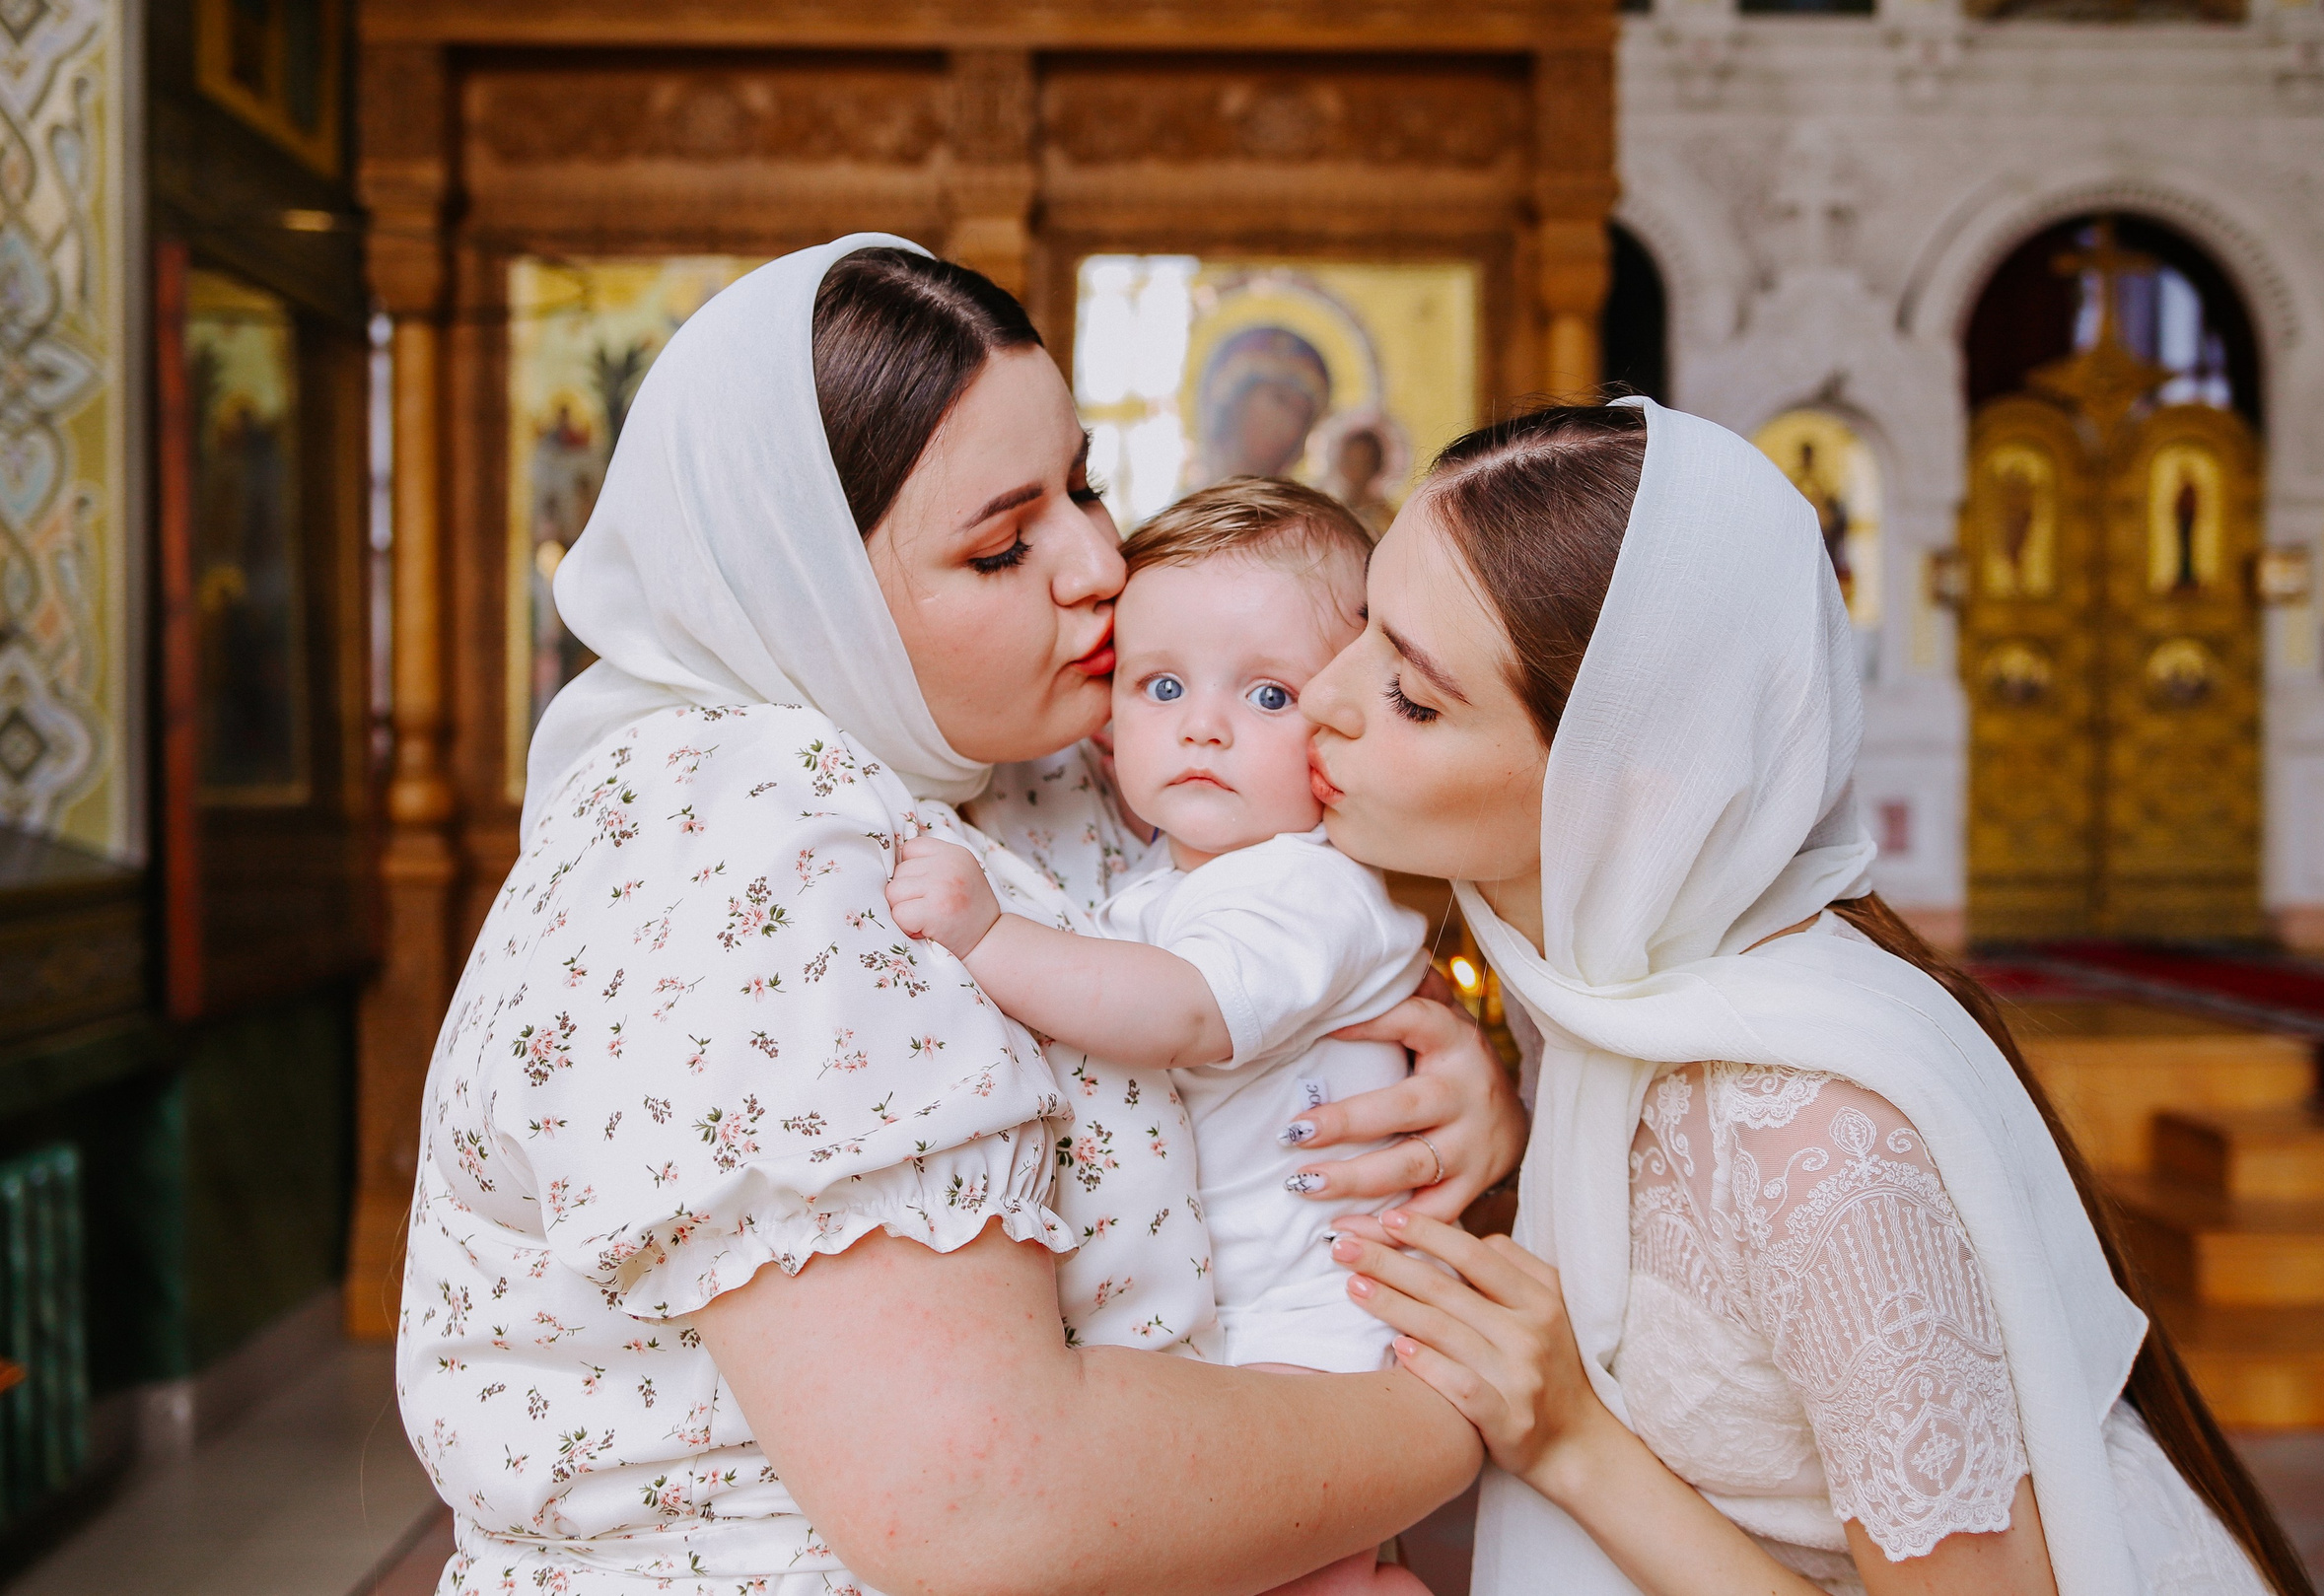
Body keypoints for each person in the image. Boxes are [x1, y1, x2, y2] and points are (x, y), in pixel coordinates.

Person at [394, 236, 1523, 1596]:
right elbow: (983, 1502)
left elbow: (1263, 986)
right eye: (1003, 544)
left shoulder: (1031, 759)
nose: (1103, 561)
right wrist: (1462, 1414)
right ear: (802, 592)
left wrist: (1452, 1090)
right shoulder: (743, 857)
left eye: (1085, 485)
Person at [1302, 401, 2314, 1596]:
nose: (1319, 695)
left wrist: (1574, 1442)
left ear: (1631, 789)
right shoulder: (1612, 997)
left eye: (1413, 697)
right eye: (1364, 624)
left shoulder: (1817, 1144)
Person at [886, 476, 1433, 1595]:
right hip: (1224, 1320)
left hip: (1313, 1323)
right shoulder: (1158, 881)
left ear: (1345, 722)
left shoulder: (1311, 888)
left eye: (1269, 696)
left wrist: (989, 939)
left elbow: (1183, 1010)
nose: (1204, 726)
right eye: (1163, 685)